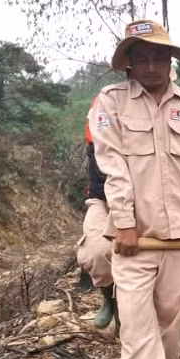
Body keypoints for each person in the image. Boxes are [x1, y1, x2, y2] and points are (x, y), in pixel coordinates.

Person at [89, 19, 180, 359]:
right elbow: (112, 164)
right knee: (135, 317)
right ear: (130, 62)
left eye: (158, 58)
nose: (151, 66)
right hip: (135, 236)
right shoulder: (112, 102)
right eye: (142, 58)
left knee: (173, 314)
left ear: (170, 61)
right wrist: (124, 221)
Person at [76, 95, 118, 335]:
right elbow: (97, 163)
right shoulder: (101, 105)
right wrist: (113, 198)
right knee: (94, 251)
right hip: (101, 198)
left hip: (142, 198)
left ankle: (129, 305)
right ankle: (109, 297)